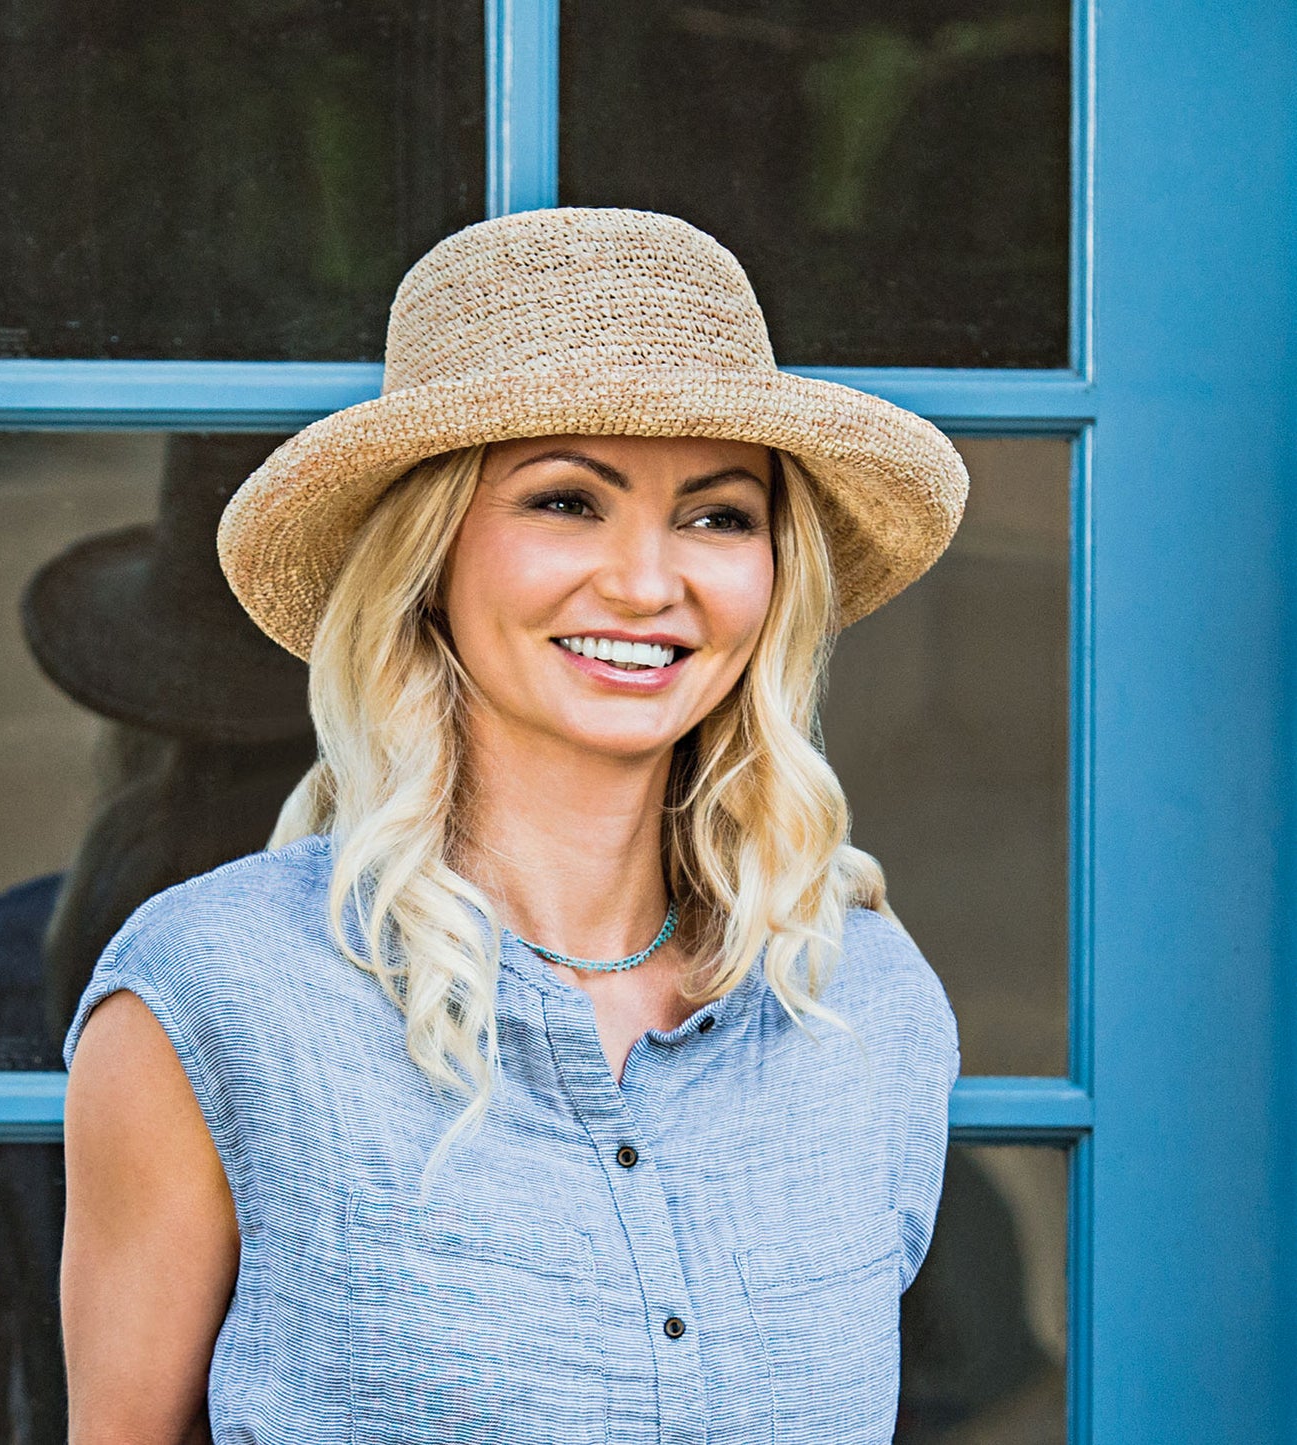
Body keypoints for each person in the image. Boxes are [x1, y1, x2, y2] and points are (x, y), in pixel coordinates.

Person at [60, 207, 967, 1445]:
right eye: (565, 501)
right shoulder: (215, 991)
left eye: (717, 515)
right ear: (428, 559)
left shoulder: (863, 1000)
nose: (649, 581)